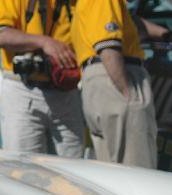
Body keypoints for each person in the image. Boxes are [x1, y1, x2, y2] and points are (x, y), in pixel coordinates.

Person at [71, 0, 167, 167]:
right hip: (115, 76)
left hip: (99, 80)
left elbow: (123, 25)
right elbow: (107, 47)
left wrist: (164, 33)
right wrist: (127, 94)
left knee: (113, 174)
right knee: (137, 172)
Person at [0, 0, 86, 157]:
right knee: (23, 169)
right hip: (23, 90)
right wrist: (44, 42)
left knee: (75, 168)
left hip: (66, 91)